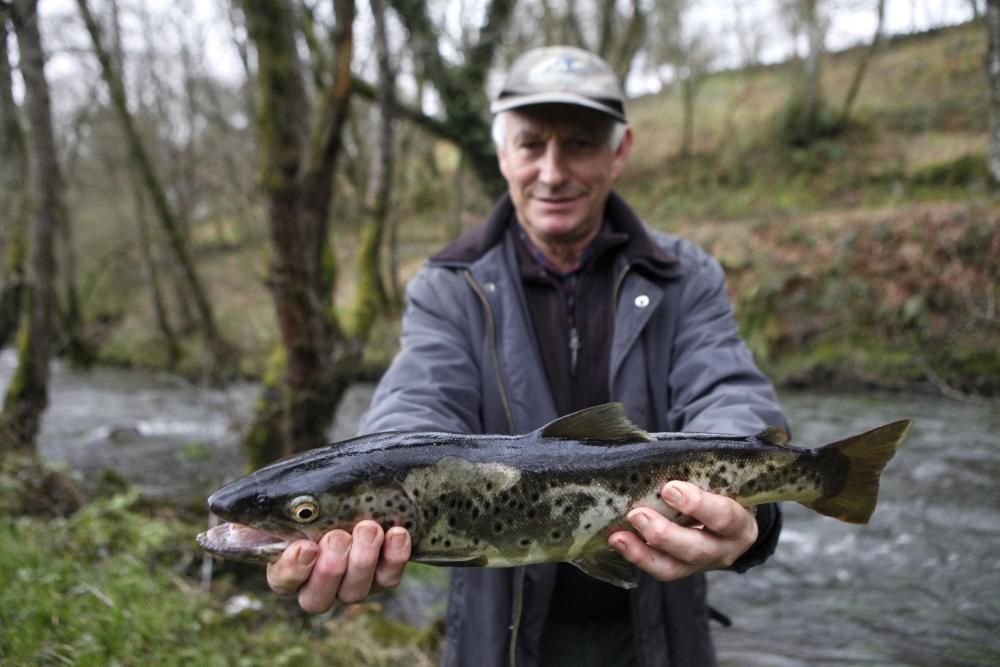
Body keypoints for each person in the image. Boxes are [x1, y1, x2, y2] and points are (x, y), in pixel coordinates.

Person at [266, 46, 785, 666]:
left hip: (658, 631)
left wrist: (755, 508)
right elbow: (416, 402)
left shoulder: (685, 276)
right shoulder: (448, 285)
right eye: (532, 143)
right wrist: (359, 505)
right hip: (501, 637)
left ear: (620, 152)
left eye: (582, 144)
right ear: (503, 152)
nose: (553, 170)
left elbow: (726, 390)